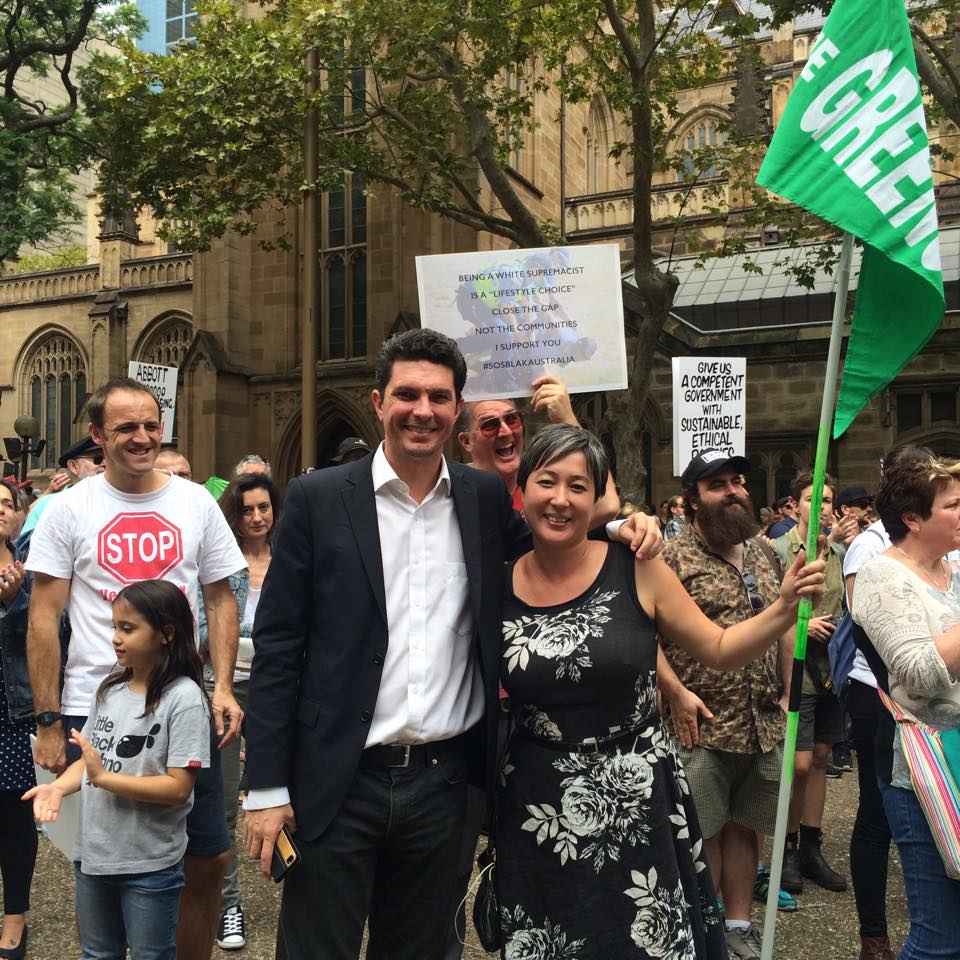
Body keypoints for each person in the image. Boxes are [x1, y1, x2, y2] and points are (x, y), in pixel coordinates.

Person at [242, 329, 661, 960]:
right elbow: (278, 651)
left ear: (456, 407)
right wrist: (268, 789)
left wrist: (618, 524)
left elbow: (554, 556)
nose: (423, 409)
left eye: (440, 396)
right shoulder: (316, 499)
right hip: (337, 782)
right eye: (407, 394)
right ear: (378, 401)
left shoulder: (483, 496)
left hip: (444, 786)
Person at [497, 426, 826, 959]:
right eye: (547, 482)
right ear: (524, 489)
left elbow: (718, 647)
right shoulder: (497, 580)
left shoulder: (638, 568)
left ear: (598, 497)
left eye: (578, 486)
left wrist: (784, 607)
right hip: (539, 804)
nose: (560, 499)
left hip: (639, 795)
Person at [24, 376, 246, 960]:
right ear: (98, 436)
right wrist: (48, 720)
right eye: (127, 428)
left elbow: (221, 597)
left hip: (180, 700)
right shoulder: (68, 509)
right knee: (96, 860)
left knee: (207, 857)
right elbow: (44, 618)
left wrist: (221, 686)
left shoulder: (194, 500)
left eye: (152, 425)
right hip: (92, 703)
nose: (143, 437)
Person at [24, 580, 211, 960]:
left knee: (151, 954)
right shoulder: (109, 690)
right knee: (97, 953)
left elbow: (178, 788)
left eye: (128, 628)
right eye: (114, 627)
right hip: (94, 856)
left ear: (166, 633)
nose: (115, 638)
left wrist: (106, 780)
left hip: (150, 863)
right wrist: (58, 787)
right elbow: (94, 761)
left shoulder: (185, 699)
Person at [656, 450, 795, 956]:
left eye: (738, 481)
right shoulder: (669, 560)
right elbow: (642, 637)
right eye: (718, 485)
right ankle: (706, 930)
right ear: (692, 500)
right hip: (703, 726)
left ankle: (737, 925)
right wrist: (674, 690)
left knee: (746, 829)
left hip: (762, 724)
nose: (734, 490)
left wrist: (785, 690)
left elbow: (782, 626)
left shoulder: (763, 551)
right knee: (704, 834)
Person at [851, 453, 960, 960]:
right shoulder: (881, 576)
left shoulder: (954, 567)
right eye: (955, 505)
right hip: (922, 766)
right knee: (938, 936)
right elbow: (918, 674)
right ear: (914, 519)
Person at [200, 472, 282, 951]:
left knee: (288, 792)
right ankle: (229, 906)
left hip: (276, 691)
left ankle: (295, 884)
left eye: (264, 507)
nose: (256, 517)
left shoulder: (290, 559)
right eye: (248, 508)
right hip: (225, 690)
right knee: (226, 801)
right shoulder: (221, 561)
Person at [773, 472, 858, 895]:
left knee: (822, 757)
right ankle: (785, 849)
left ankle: (810, 846)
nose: (821, 506)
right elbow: (770, 614)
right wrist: (802, 629)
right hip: (797, 670)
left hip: (832, 672)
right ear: (794, 505)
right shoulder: (775, 550)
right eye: (812, 499)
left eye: (826, 499)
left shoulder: (840, 551)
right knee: (798, 763)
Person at [455, 373, 619, 522]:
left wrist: (566, 418)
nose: (505, 432)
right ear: (466, 441)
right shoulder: (452, 494)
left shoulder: (542, 491)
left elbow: (607, 507)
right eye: (490, 425)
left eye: (512, 419)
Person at [0, 479, 35, 960]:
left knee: (15, 814)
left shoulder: (30, 567)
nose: (0, 511)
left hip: (13, 710)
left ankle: (15, 916)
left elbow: (54, 632)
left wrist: (15, 602)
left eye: (7, 504)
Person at [18, 437, 105, 539]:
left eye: (110, 458)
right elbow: (26, 548)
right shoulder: (47, 505)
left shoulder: (122, 500)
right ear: (73, 466)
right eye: (97, 459)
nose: (106, 464)